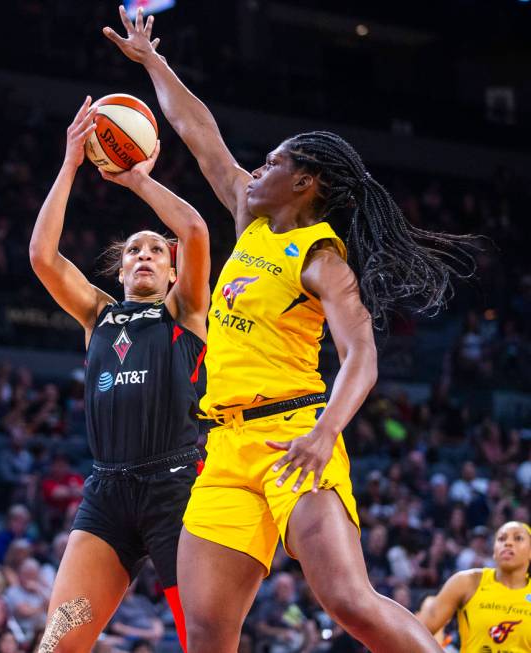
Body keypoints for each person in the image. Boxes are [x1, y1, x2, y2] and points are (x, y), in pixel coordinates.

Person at [104, 7, 473, 653]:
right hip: (222, 449)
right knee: (208, 634)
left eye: (272, 162)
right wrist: (154, 63)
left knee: (349, 601)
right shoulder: (250, 224)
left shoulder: (322, 258)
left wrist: (324, 432)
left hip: (293, 438)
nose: (258, 169)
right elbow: (200, 134)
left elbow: (361, 355)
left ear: (303, 182)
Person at [29, 96, 210, 652]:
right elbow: (42, 254)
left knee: (204, 642)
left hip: (176, 489)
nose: (146, 256)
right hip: (108, 490)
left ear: (173, 268)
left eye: (157, 249)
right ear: (122, 265)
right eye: (134, 250)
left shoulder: (185, 310)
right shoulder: (96, 315)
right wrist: (69, 164)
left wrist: (135, 181)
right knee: (57, 643)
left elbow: (196, 229)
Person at [417, 521, 531, 652]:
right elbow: (418, 632)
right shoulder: (468, 582)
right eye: (501, 538)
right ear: (494, 551)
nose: (508, 543)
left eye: (518, 538)